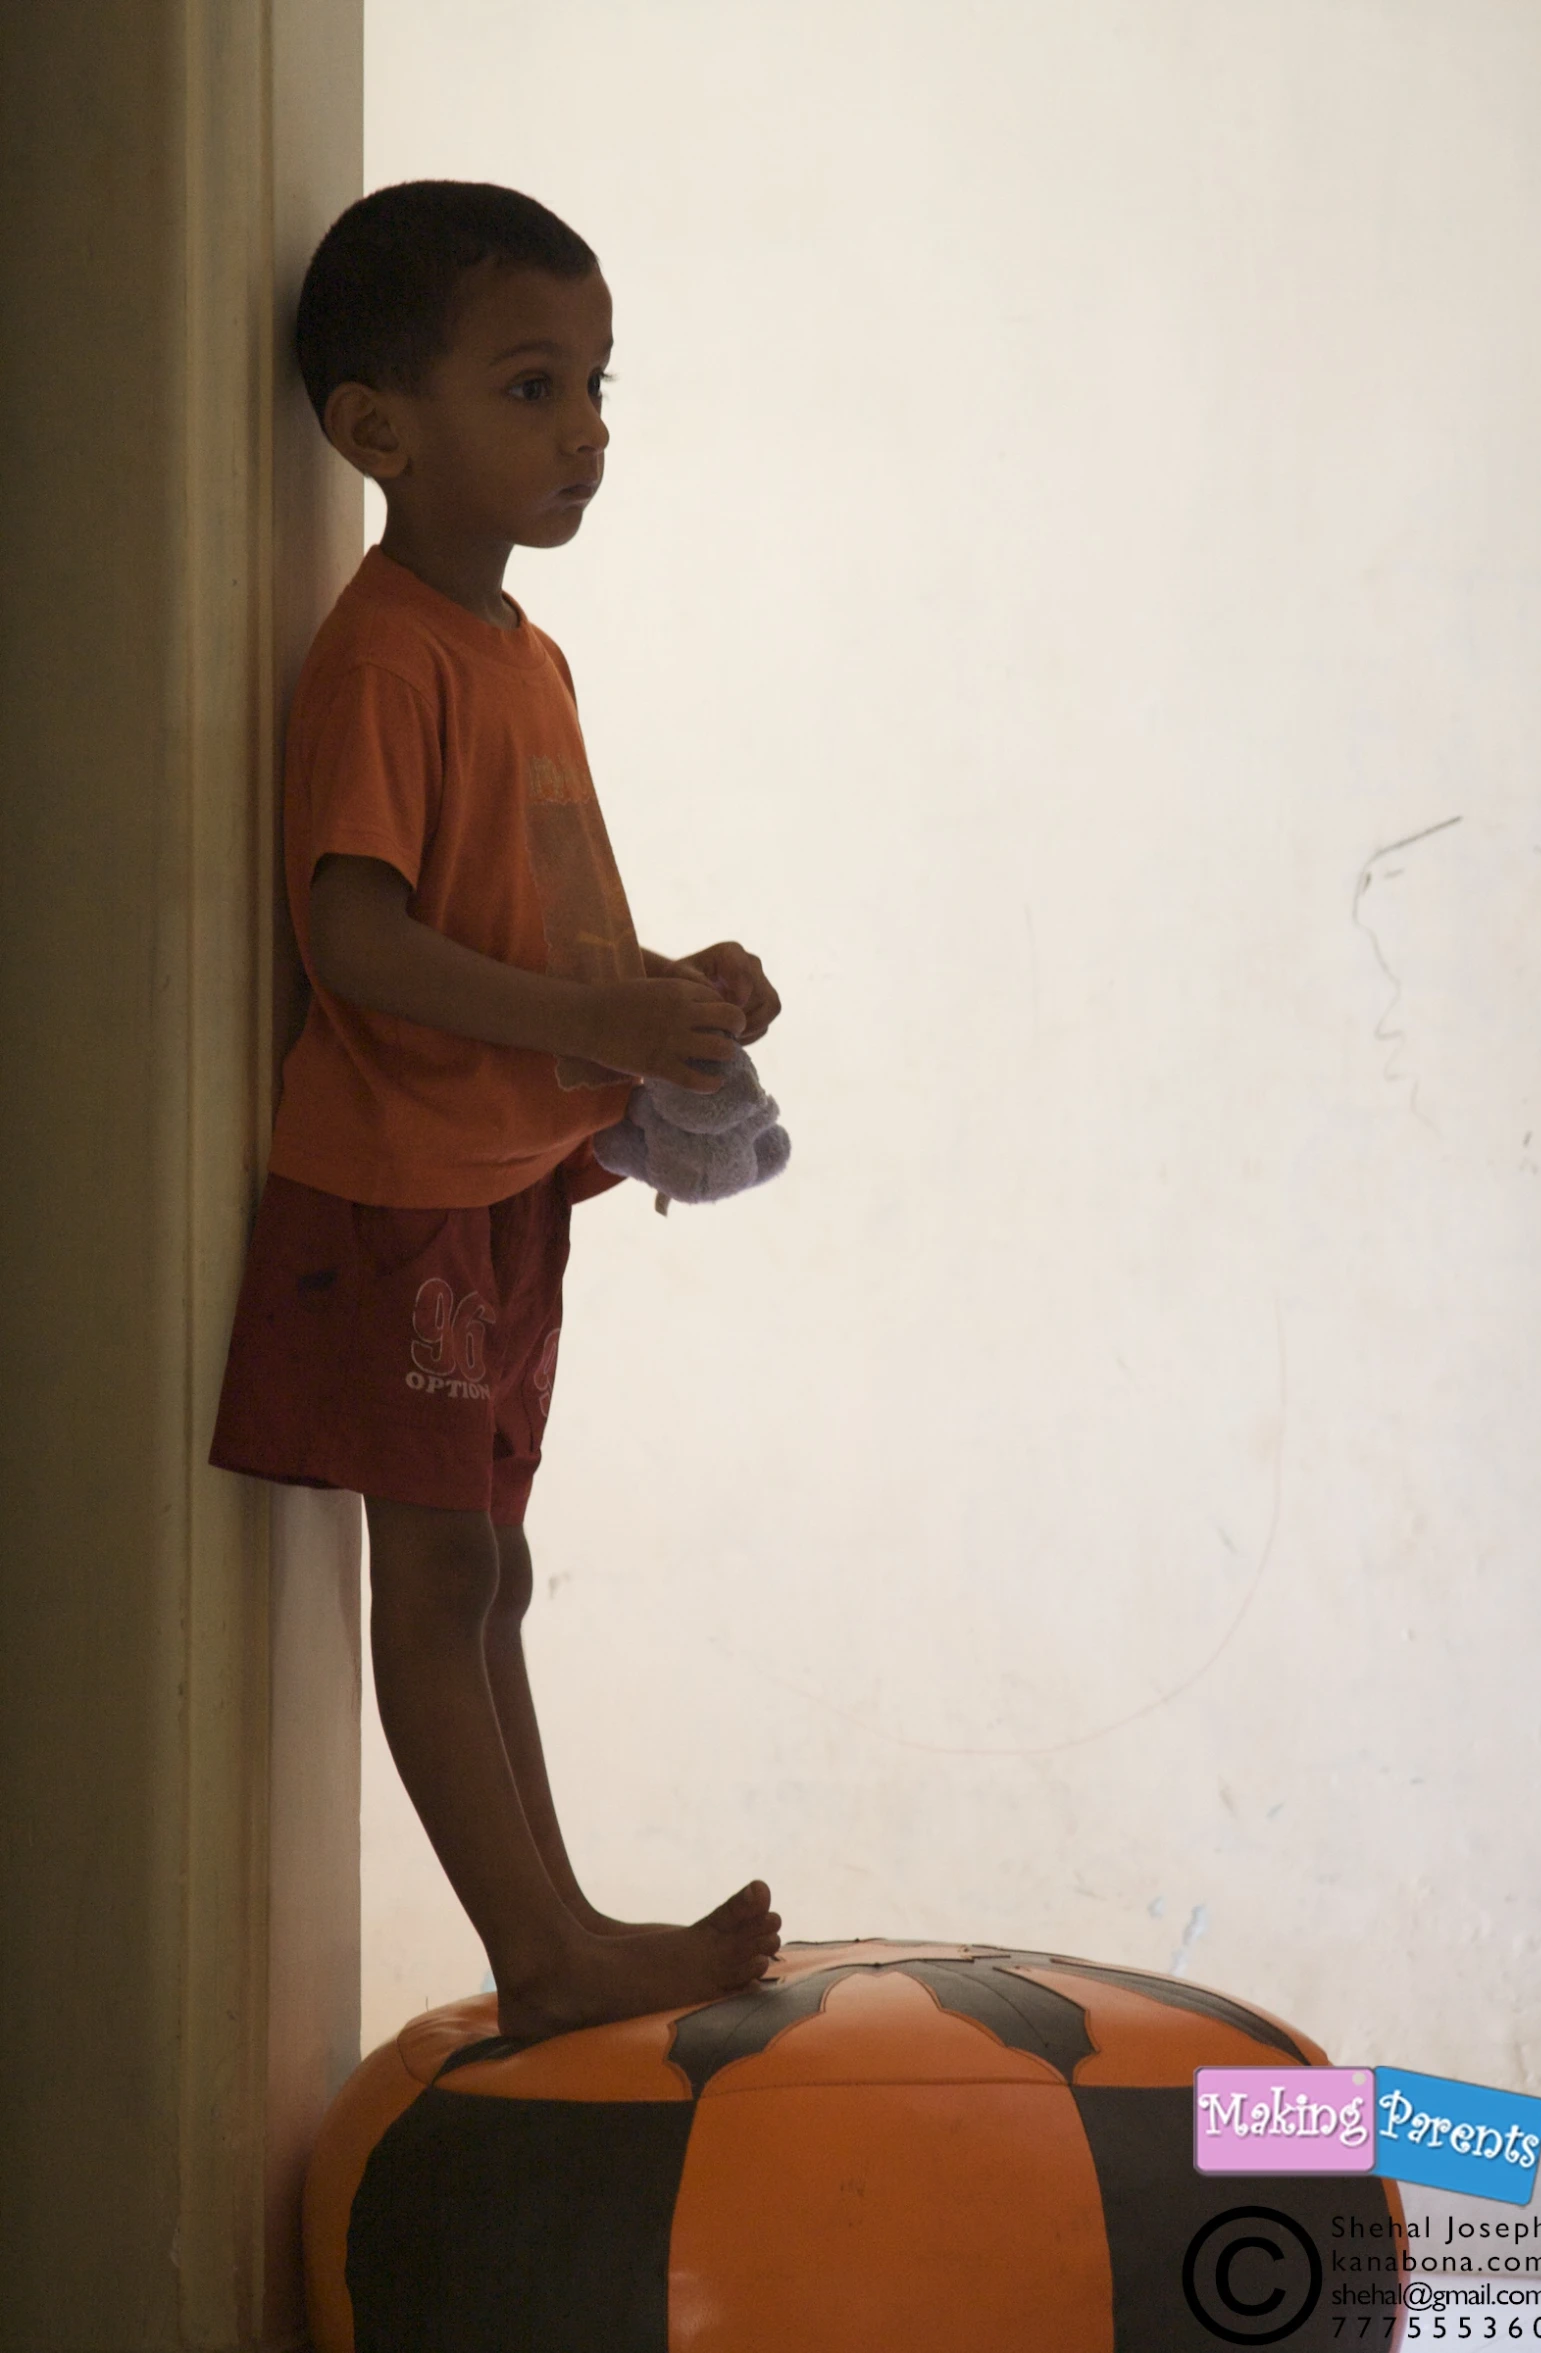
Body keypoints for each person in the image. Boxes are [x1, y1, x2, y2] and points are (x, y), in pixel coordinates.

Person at [211, 180, 783, 2044]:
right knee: (443, 1566)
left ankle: (560, 1917)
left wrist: (673, 998)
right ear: (376, 429)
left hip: (508, 1182)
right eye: (534, 386)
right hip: (391, 1187)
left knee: (496, 1566)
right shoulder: (384, 653)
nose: (588, 433)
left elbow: (538, 928)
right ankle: (539, 1951)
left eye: (601, 385)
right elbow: (356, 941)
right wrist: (583, 1011)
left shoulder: (524, 659)